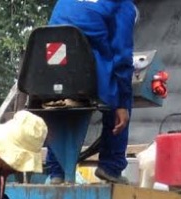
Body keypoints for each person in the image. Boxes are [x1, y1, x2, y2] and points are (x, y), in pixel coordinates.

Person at [45, 0, 135, 185]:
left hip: (50, 73)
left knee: (58, 107)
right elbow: (122, 57)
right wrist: (121, 104)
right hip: (85, 74)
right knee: (119, 95)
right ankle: (110, 166)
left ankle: (57, 171)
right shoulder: (122, 5)